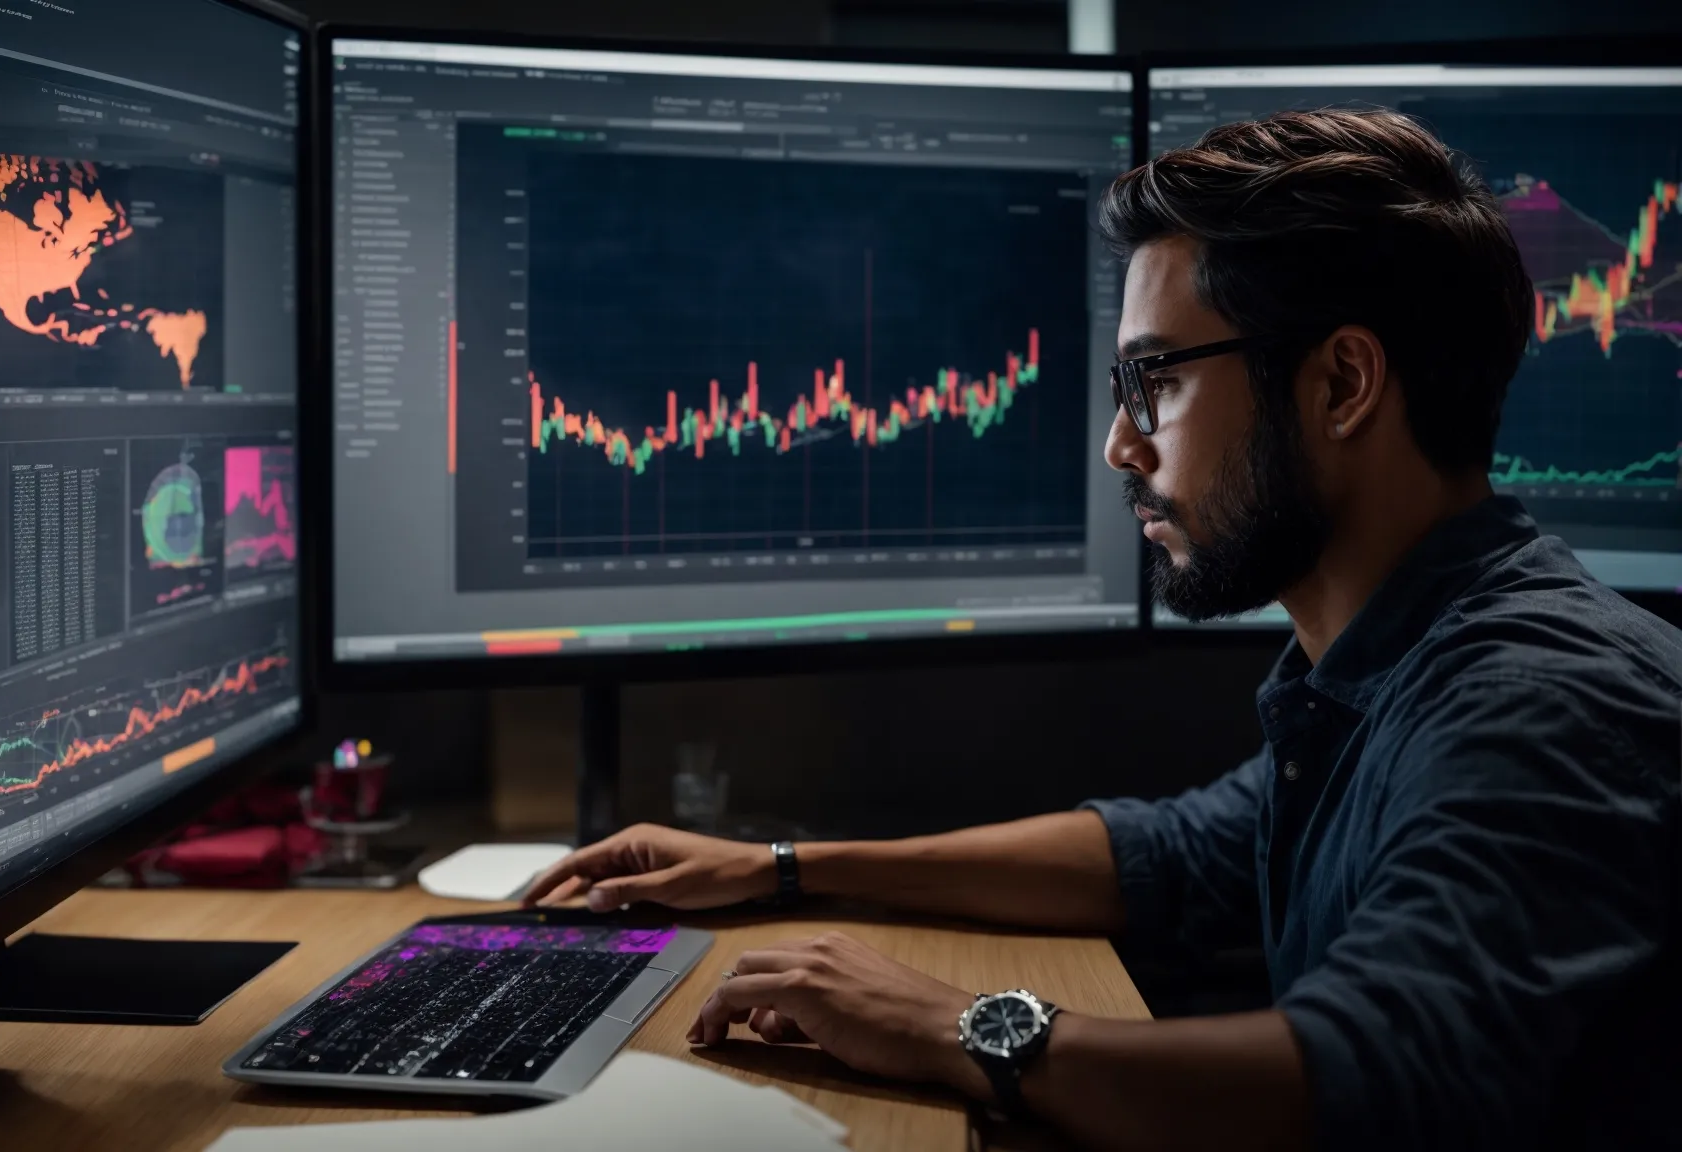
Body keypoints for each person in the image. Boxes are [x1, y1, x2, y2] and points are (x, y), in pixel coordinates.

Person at [522, 109, 1682, 1152]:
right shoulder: (1391, 659)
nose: (1120, 447)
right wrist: (780, 868)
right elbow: (1174, 857)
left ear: (1339, 386)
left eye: (1153, 383)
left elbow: (1351, 1081)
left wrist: (953, 1024)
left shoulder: (1536, 705)